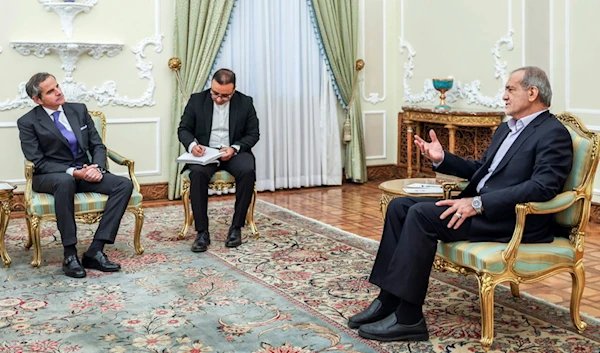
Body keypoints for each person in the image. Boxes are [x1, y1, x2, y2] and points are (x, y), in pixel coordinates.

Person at [348, 66, 573, 342]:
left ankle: (409, 319)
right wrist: (442, 158)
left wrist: (478, 203)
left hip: (513, 221)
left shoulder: (553, 132)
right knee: (399, 207)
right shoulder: (506, 129)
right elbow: (482, 170)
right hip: (483, 210)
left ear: (532, 92)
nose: (503, 96)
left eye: (509, 89)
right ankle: (388, 300)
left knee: (420, 215)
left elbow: (542, 187)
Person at [18, 72, 133, 278]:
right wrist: (74, 172)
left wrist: (96, 168)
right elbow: (39, 162)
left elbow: (97, 145)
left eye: (57, 86)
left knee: (123, 184)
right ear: (37, 99)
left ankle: (95, 250)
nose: (59, 92)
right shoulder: (28, 122)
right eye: (51, 91)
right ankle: (70, 255)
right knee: (65, 181)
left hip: (85, 171)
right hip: (51, 176)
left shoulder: (78, 110)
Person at [178, 68, 260, 252]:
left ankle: (236, 228)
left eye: (225, 96)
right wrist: (192, 146)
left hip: (233, 151)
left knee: (247, 171)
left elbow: (253, 134)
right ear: (211, 86)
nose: (219, 99)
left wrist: (234, 148)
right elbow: (183, 129)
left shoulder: (245, 102)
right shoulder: (197, 100)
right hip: (206, 152)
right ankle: (202, 232)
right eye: (215, 93)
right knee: (197, 173)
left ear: (234, 90)